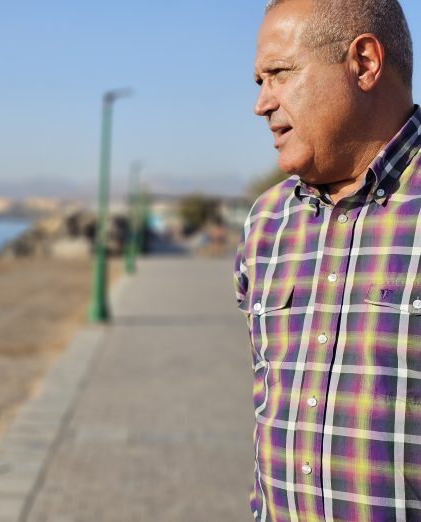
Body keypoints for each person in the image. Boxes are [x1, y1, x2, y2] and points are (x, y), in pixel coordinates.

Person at [235, 0, 420, 519]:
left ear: (364, 63)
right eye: (260, 82)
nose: (262, 103)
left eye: (279, 73)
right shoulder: (266, 222)